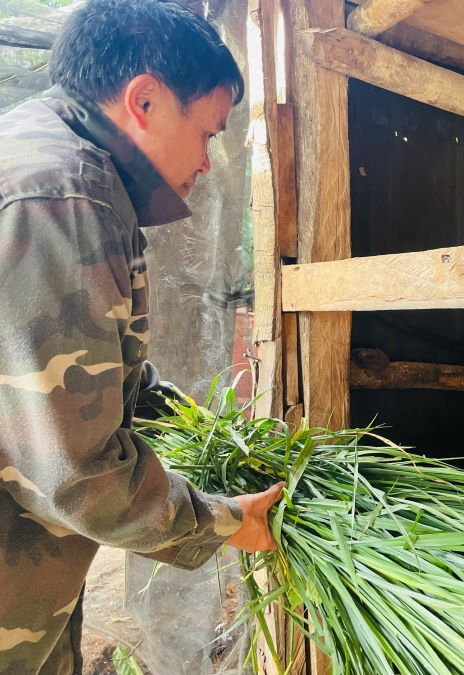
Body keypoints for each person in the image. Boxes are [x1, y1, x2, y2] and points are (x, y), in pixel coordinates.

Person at [0, 1, 282, 672]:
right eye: (210, 132)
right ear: (146, 100)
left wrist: (190, 418)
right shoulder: (62, 196)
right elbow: (78, 473)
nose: (210, 162)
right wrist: (222, 519)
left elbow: (89, 370)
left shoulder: (45, 154)